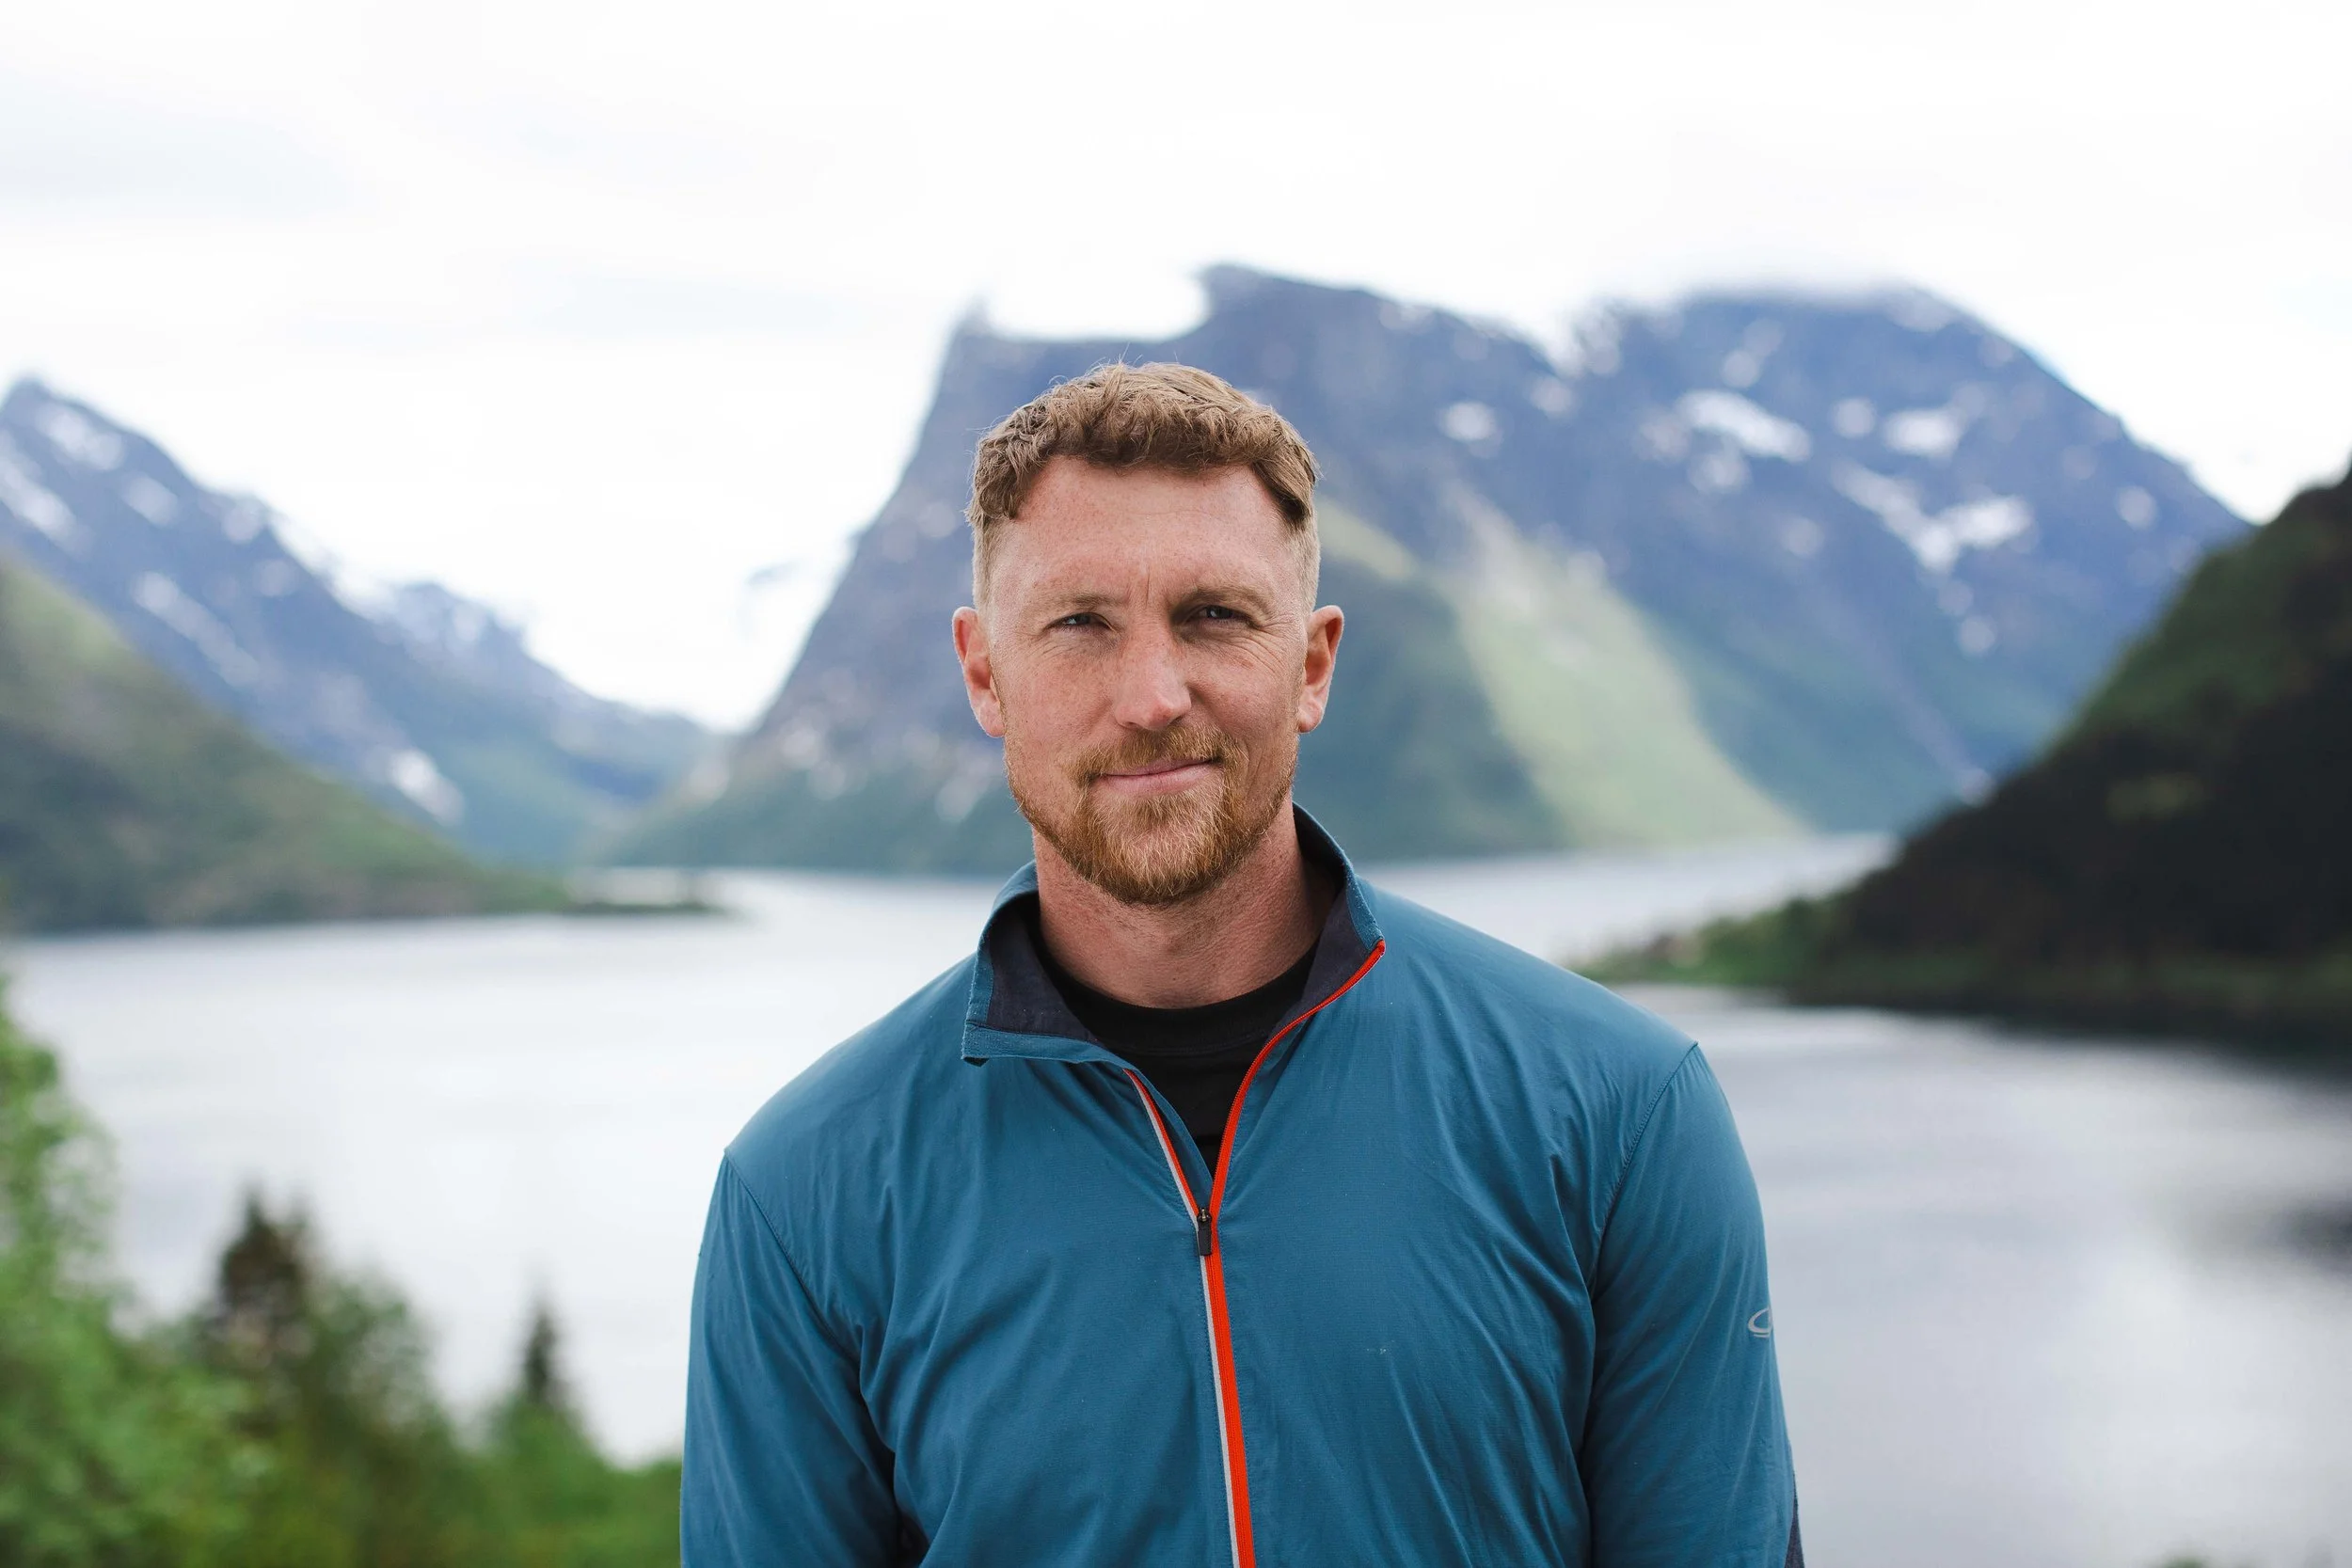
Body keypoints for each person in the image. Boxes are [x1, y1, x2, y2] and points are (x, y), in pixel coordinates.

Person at [682, 362, 1801, 1566]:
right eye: (1079, 623)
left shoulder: (1619, 1115)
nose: (1152, 696)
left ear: (1311, 664)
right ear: (984, 671)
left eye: (1214, 614)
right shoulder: (806, 1193)